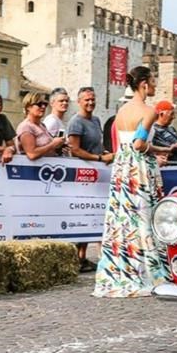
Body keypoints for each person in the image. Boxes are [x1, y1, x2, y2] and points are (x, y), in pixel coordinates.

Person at [93, 66, 171, 297]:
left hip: (122, 166)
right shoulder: (149, 111)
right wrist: (159, 149)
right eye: (153, 82)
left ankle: (122, 267)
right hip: (139, 167)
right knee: (143, 214)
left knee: (122, 218)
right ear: (144, 84)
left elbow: (121, 143)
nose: (155, 86)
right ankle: (148, 270)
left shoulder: (121, 111)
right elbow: (139, 143)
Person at [67, 86, 114, 272]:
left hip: (96, 173)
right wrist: (100, 158)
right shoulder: (75, 122)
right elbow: (75, 149)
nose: (90, 103)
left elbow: (97, 145)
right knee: (81, 216)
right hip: (81, 174)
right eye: (86, 99)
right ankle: (76, 257)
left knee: (92, 216)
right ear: (79, 102)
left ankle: (83, 257)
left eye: (93, 99)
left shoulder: (95, 120)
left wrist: (105, 154)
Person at [15, 92, 67, 160]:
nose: (43, 107)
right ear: (28, 107)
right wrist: (53, 144)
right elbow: (32, 154)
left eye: (45, 104)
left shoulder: (42, 125)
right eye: (39, 104)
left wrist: (59, 147)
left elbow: (46, 148)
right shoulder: (26, 127)